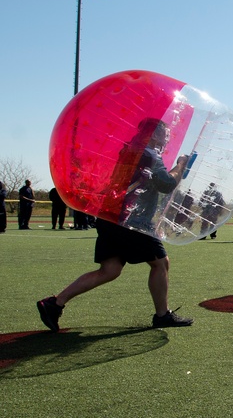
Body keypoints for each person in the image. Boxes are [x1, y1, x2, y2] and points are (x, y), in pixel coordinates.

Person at [36, 118, 194, 331]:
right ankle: (162, 315)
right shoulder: (149, 154)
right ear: (154, 134)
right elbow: (166, 184)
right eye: (165, 134)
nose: (167, 138)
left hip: (110, 217)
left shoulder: (131, 150)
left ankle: (54, 303)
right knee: (160, 263)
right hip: (131, 220)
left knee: (109, 270)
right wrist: (181, 165)